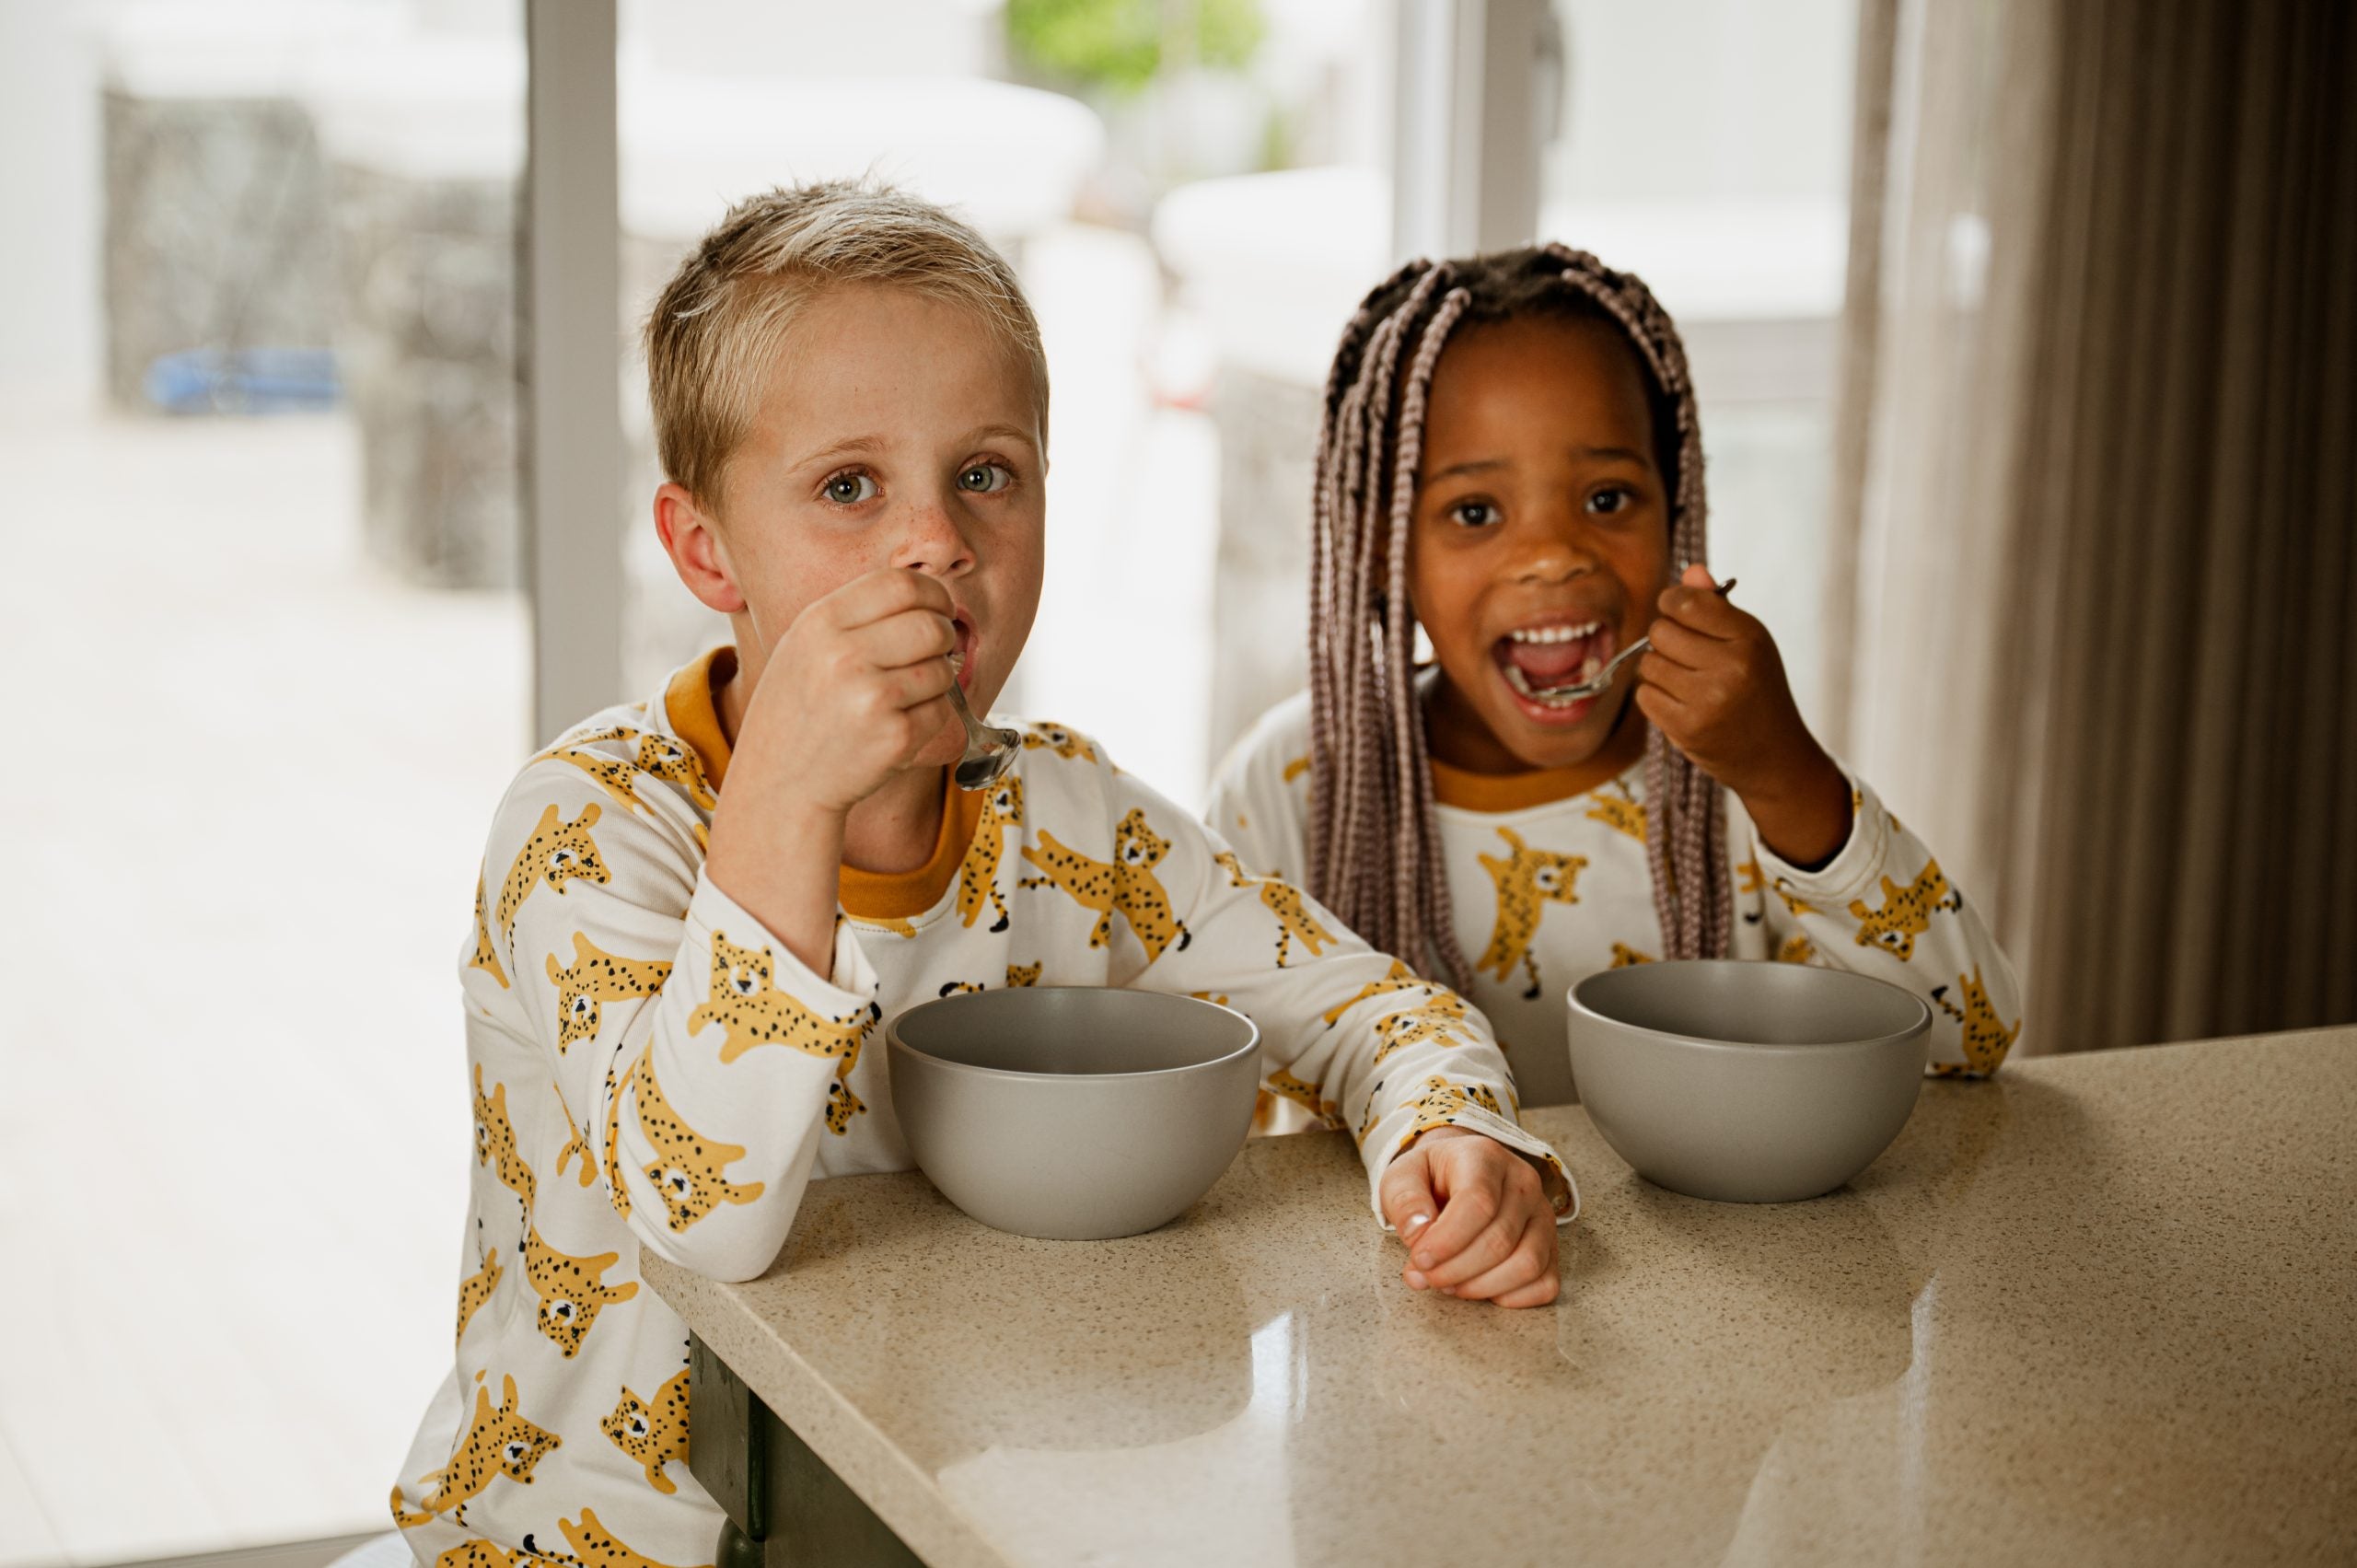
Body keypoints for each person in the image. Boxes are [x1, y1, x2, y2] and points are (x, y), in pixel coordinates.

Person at [390, 183, 1575, 1563]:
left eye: (987, 473)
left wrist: (1452, 1133)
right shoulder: (589, 828)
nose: (938, 539)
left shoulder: (1075, 825)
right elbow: (705, 1218)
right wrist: (786, 793)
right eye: (849, 486)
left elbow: (1373, 1007)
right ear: (705, 549)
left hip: (919, 1518)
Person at [1208, 246, 2023, 1112]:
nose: (1555, 554)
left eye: (1606, 498)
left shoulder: (1739, 775)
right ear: (1381, 547)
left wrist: (1784, 771)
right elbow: (1220, 1109)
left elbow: (1965, 1043)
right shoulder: (1294, 785)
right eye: (1475, 511)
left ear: (1678, 508)